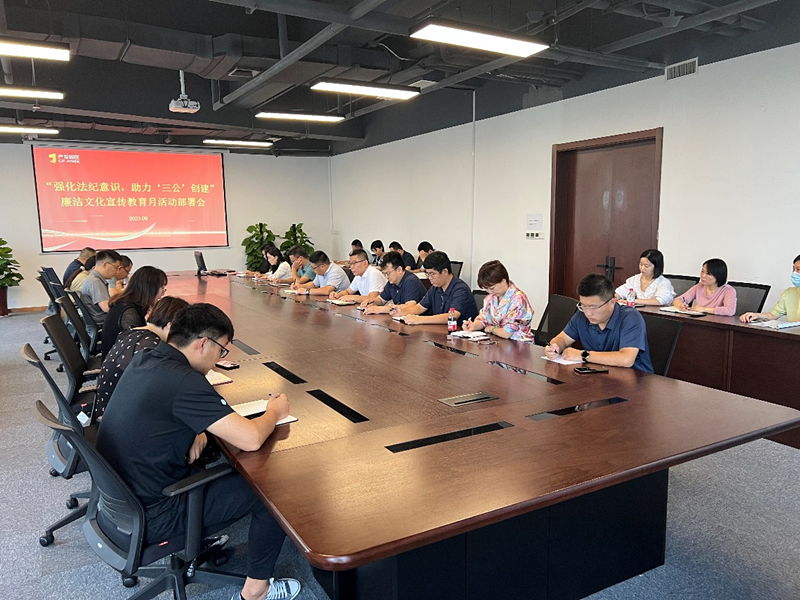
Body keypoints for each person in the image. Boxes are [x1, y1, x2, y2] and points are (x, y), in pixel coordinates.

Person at [95, 304, 301, 600]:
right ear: (203, 343)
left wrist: (196, 429)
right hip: (157, 512)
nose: (220, 359)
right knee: (272, 491)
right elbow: (251, 439)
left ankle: (199, 539)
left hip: (122, 502)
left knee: (223, 461)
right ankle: (257, 590)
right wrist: (274, 411)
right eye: (222, 350)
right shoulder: (184, 381)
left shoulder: (146, 358)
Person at [95, 296, 189, 416]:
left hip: (109, 409)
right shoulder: (151, 347)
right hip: (119, 415)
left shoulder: (133, 333)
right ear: (170, 326)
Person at [546, 273, 653, 373]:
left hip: (635, 380)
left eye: (593, 307)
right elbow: (562, 338)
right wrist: (555, 347)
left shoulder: (630, 318)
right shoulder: (581, 315)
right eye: (583, 306)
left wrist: (583, 355)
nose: (588, 313)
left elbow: (626, 359)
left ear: (612, 302)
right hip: (598, 375)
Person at [391, 251, 478, 326]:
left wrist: (419, 319)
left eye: (432, 274)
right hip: (441, 333)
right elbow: (420, 307)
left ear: (445, 271)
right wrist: (402, 312)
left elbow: (452, 316)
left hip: (460, 335)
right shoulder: (436, 288)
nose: (430, 278)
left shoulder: (460, 289)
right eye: (428, 274)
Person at [101, 266, 168, 358]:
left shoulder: (126, 303)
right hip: (118, 363)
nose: (162, 293)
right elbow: (138, 344)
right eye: (162, 288)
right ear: (150, 289)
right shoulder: (129, 312)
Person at [462, 260, 535, 341]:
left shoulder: (518, 299)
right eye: (486, 288)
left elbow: (506, 333)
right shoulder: (491, 298)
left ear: (503, 280)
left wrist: (491, 329)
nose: (489, 292)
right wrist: (473, 326)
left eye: (492, 288)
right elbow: (483, 319)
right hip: (497, 341)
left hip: (518, 343)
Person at [741, 254, 800, 323]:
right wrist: (756, 315)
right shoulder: (790, 293)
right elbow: (772, 315)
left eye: (798, 269)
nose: (794, 273)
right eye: (793, 269)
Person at [362, 251, 427, 313]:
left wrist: (381, 309)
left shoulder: (411, 281)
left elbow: (410, 306)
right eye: (384, 274)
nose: (386, 277)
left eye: (388, 273)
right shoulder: (392, 282)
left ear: (399, 270)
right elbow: (381, 300)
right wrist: (371, 302)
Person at [80, 249, 122, 326]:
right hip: (103, 323)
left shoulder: (93, 278)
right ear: (105, 265)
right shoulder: (95, 282)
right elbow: (106, 308)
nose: (117, 272)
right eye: (116, 267)